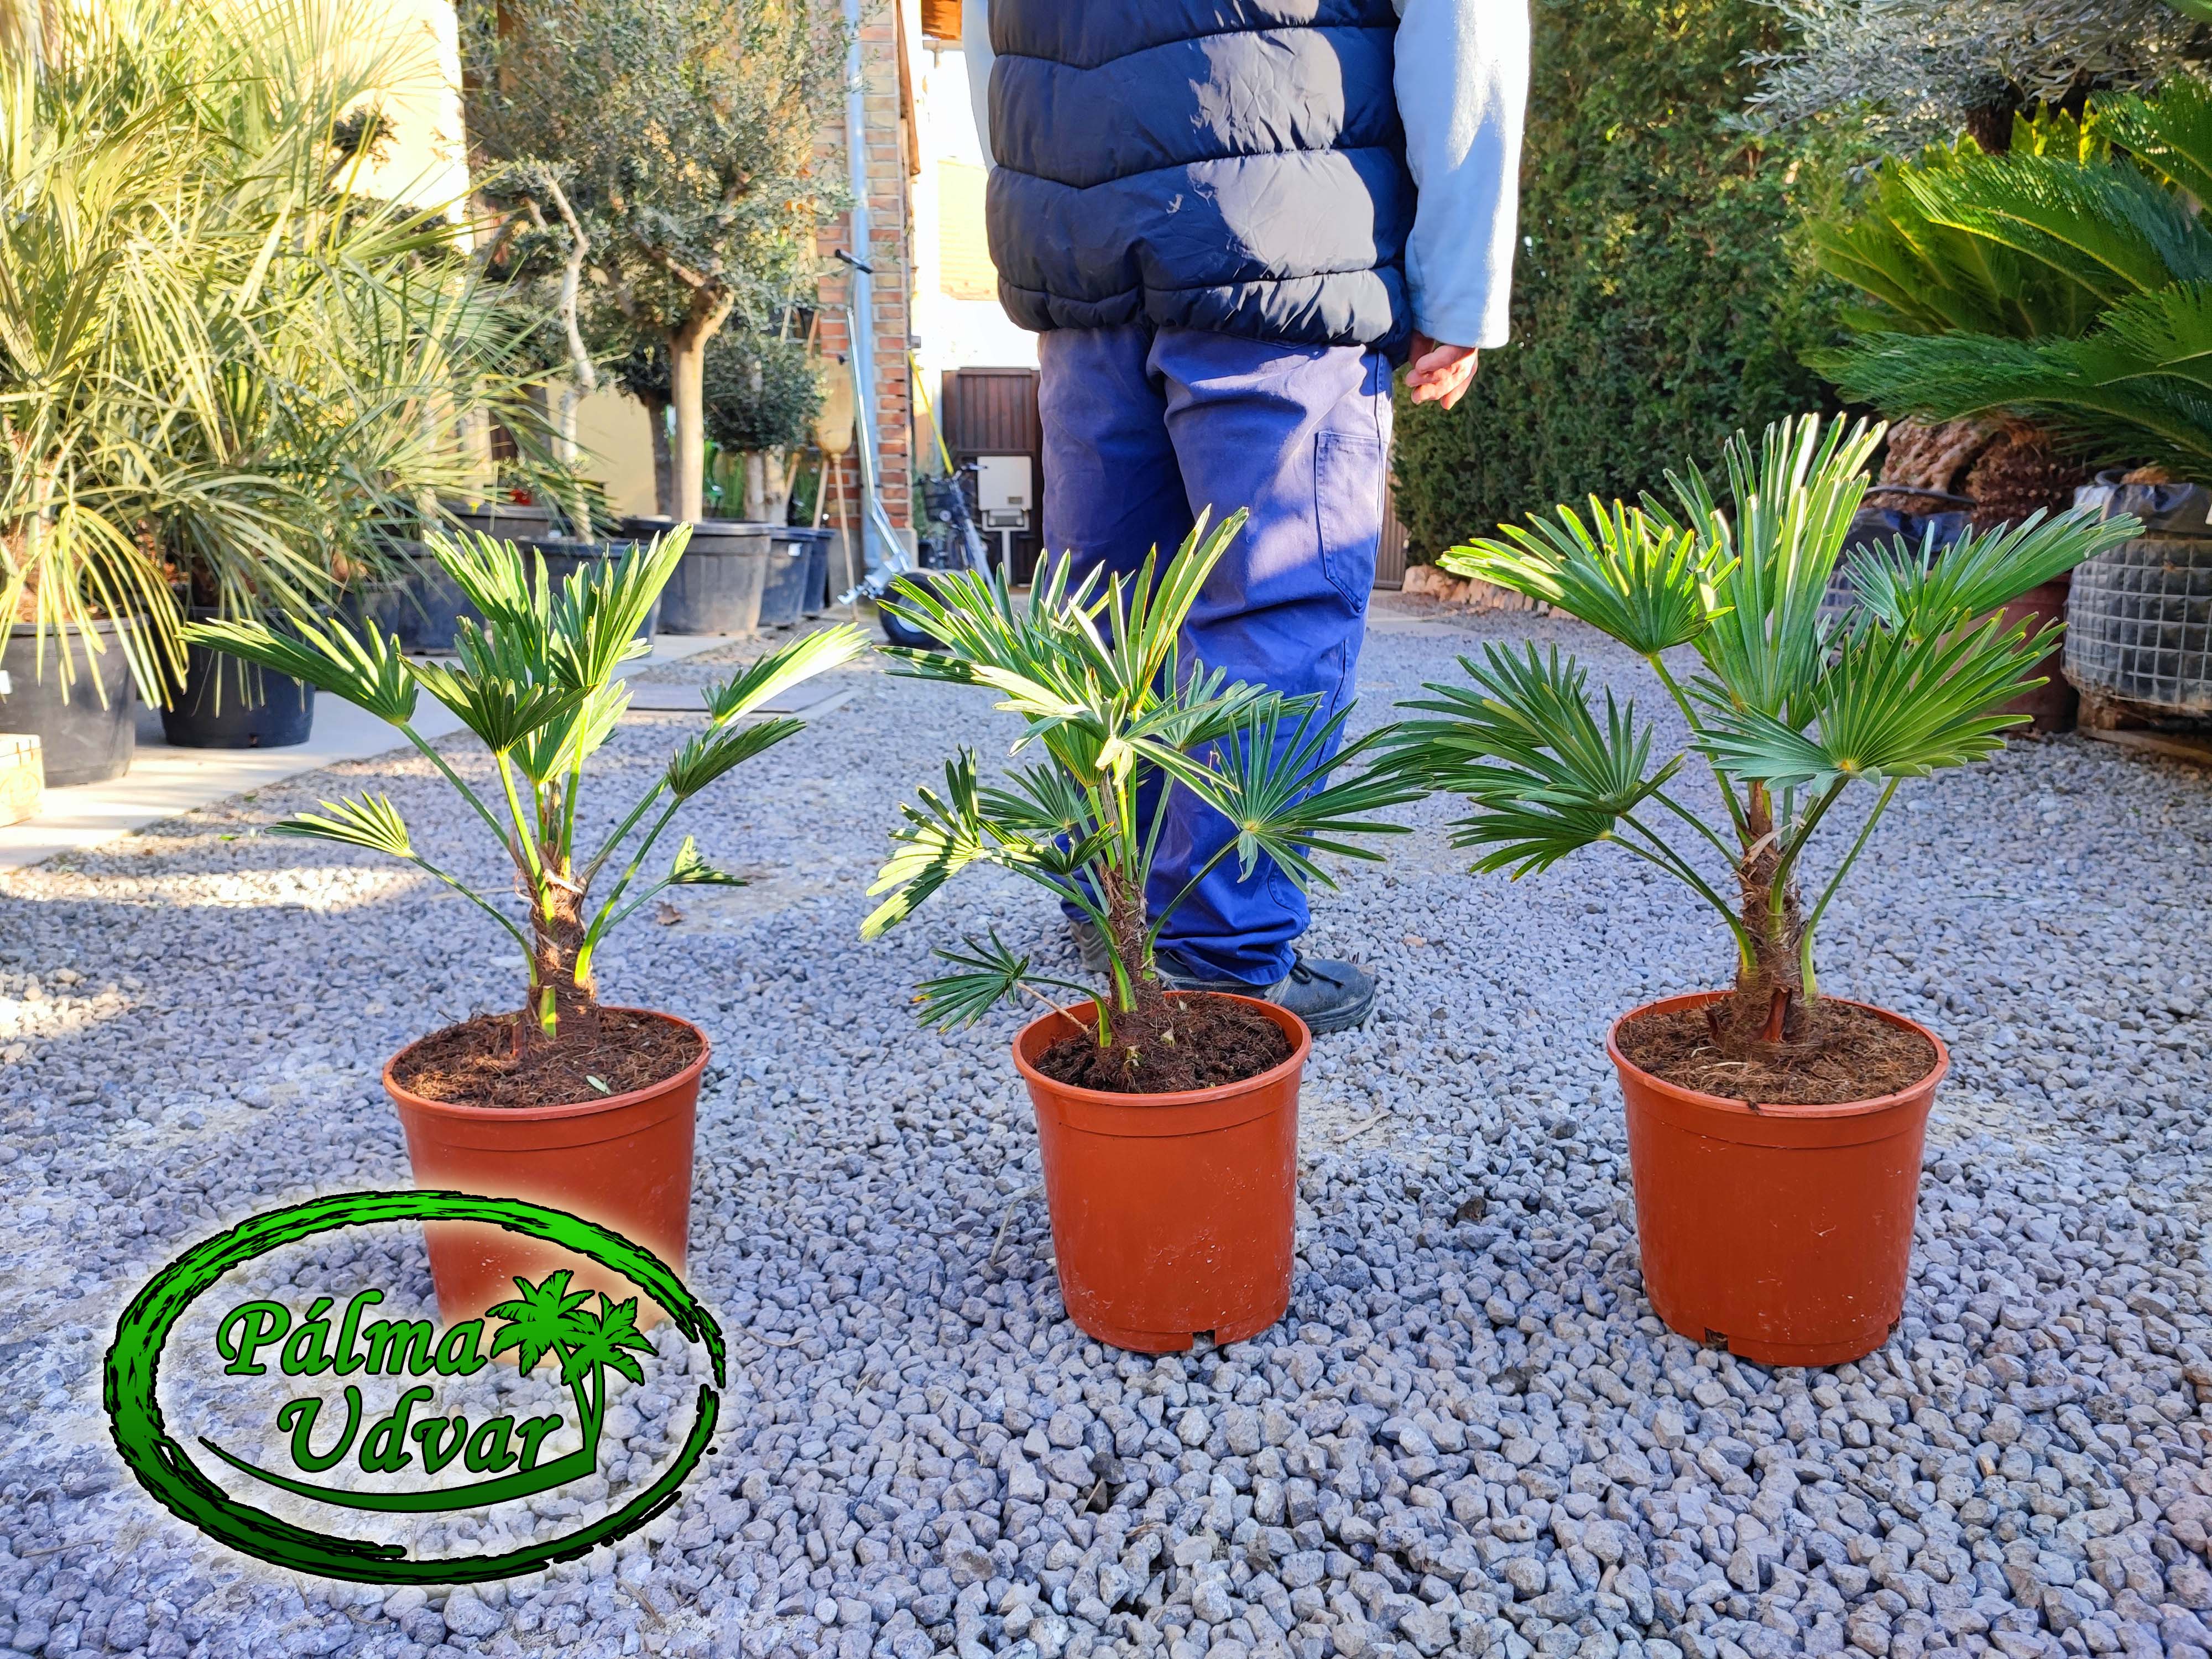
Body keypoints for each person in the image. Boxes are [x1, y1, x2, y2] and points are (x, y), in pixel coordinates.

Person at [962, 0, 1530, 1032]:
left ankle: (1111, 902)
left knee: (1103, 617)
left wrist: (1039, 213)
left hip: (1076, 253)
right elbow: (1465, 30)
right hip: (1280, 244)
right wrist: (1460, 289)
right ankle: (1221, 964)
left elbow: (989, 43)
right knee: (1268, 615)